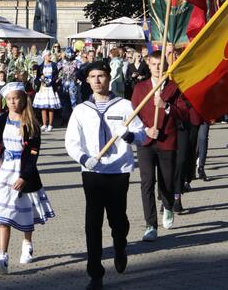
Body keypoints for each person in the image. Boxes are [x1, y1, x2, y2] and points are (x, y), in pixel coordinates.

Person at [65, 61, 150, 290]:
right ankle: (95, 273)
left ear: (109, 78)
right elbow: (71, 142)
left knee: (118, 219)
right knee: (93, 222)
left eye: (101, 75)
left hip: (118, 171)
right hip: (92, 172)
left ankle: (120, 245)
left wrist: (129, 136)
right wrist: (84, 159)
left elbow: (142, 135)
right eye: (93, 76)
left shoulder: (124, 106)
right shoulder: (81, 110)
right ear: (88, 81)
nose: (97, 80)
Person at [0, 82, 54, 275]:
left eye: (16, 98)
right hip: (3, 171)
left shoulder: (31, 123)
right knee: (3, 214)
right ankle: (3, 257)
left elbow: (33, 154)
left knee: (26, 210)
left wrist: (25, 176)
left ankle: (27, 242)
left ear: (23, 99)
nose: (12, 102)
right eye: (9, 99)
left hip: (24, 172)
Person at [130, 50, 179, 242]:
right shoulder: (140, 88)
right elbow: (134, 113)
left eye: (161, 65)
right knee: (147, 182)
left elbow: (183, 112)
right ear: (148, 65)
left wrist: (165, 105)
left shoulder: (174, 87)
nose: (157, 68)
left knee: (166, 181)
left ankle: (167, 205)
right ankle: (150, 224)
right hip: (146, 141)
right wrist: (145, 129)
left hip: (167, 140)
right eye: (154, 64)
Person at [34, 51, 61, 132]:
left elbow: (56, 75)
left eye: (50, 55)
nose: (50, 56)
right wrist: (41, 80)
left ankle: (50, 124)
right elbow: (37, 77)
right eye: (48, 55)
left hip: (51, 88)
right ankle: (44, 124)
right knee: (43, 107)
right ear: (45, 56)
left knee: (50, 107)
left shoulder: (53, 65)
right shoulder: (40, 66)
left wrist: (51, 81)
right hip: (43, 88)